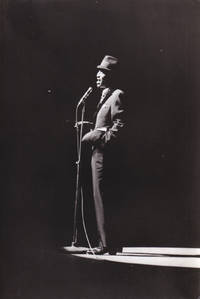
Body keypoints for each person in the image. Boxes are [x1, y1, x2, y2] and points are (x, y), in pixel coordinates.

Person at [81, 55, 126, 255]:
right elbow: (104, 123)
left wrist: (101, 139)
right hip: (98, 153)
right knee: (102, 195)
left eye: (102, 72)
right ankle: (110, 243)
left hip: (103, 153)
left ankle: (105, 244)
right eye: (98, 71)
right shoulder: (104, 96)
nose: (98, 75)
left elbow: (119, 124)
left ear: (110, 75)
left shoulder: (117, 94)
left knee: (101, 196)